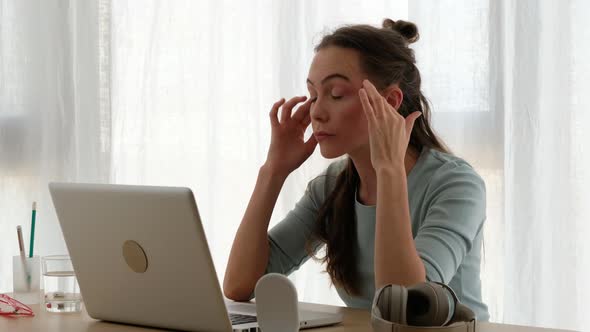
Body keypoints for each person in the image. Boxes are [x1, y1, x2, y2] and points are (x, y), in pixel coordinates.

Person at [223, 18, 490, 321]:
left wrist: (389, 171)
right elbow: (239, 286)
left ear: (390, 102)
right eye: (313, 95)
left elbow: (403, 307)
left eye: (336, 94)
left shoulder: (456, 184)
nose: (317, 112)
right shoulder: (332, 185)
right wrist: (273, 170)